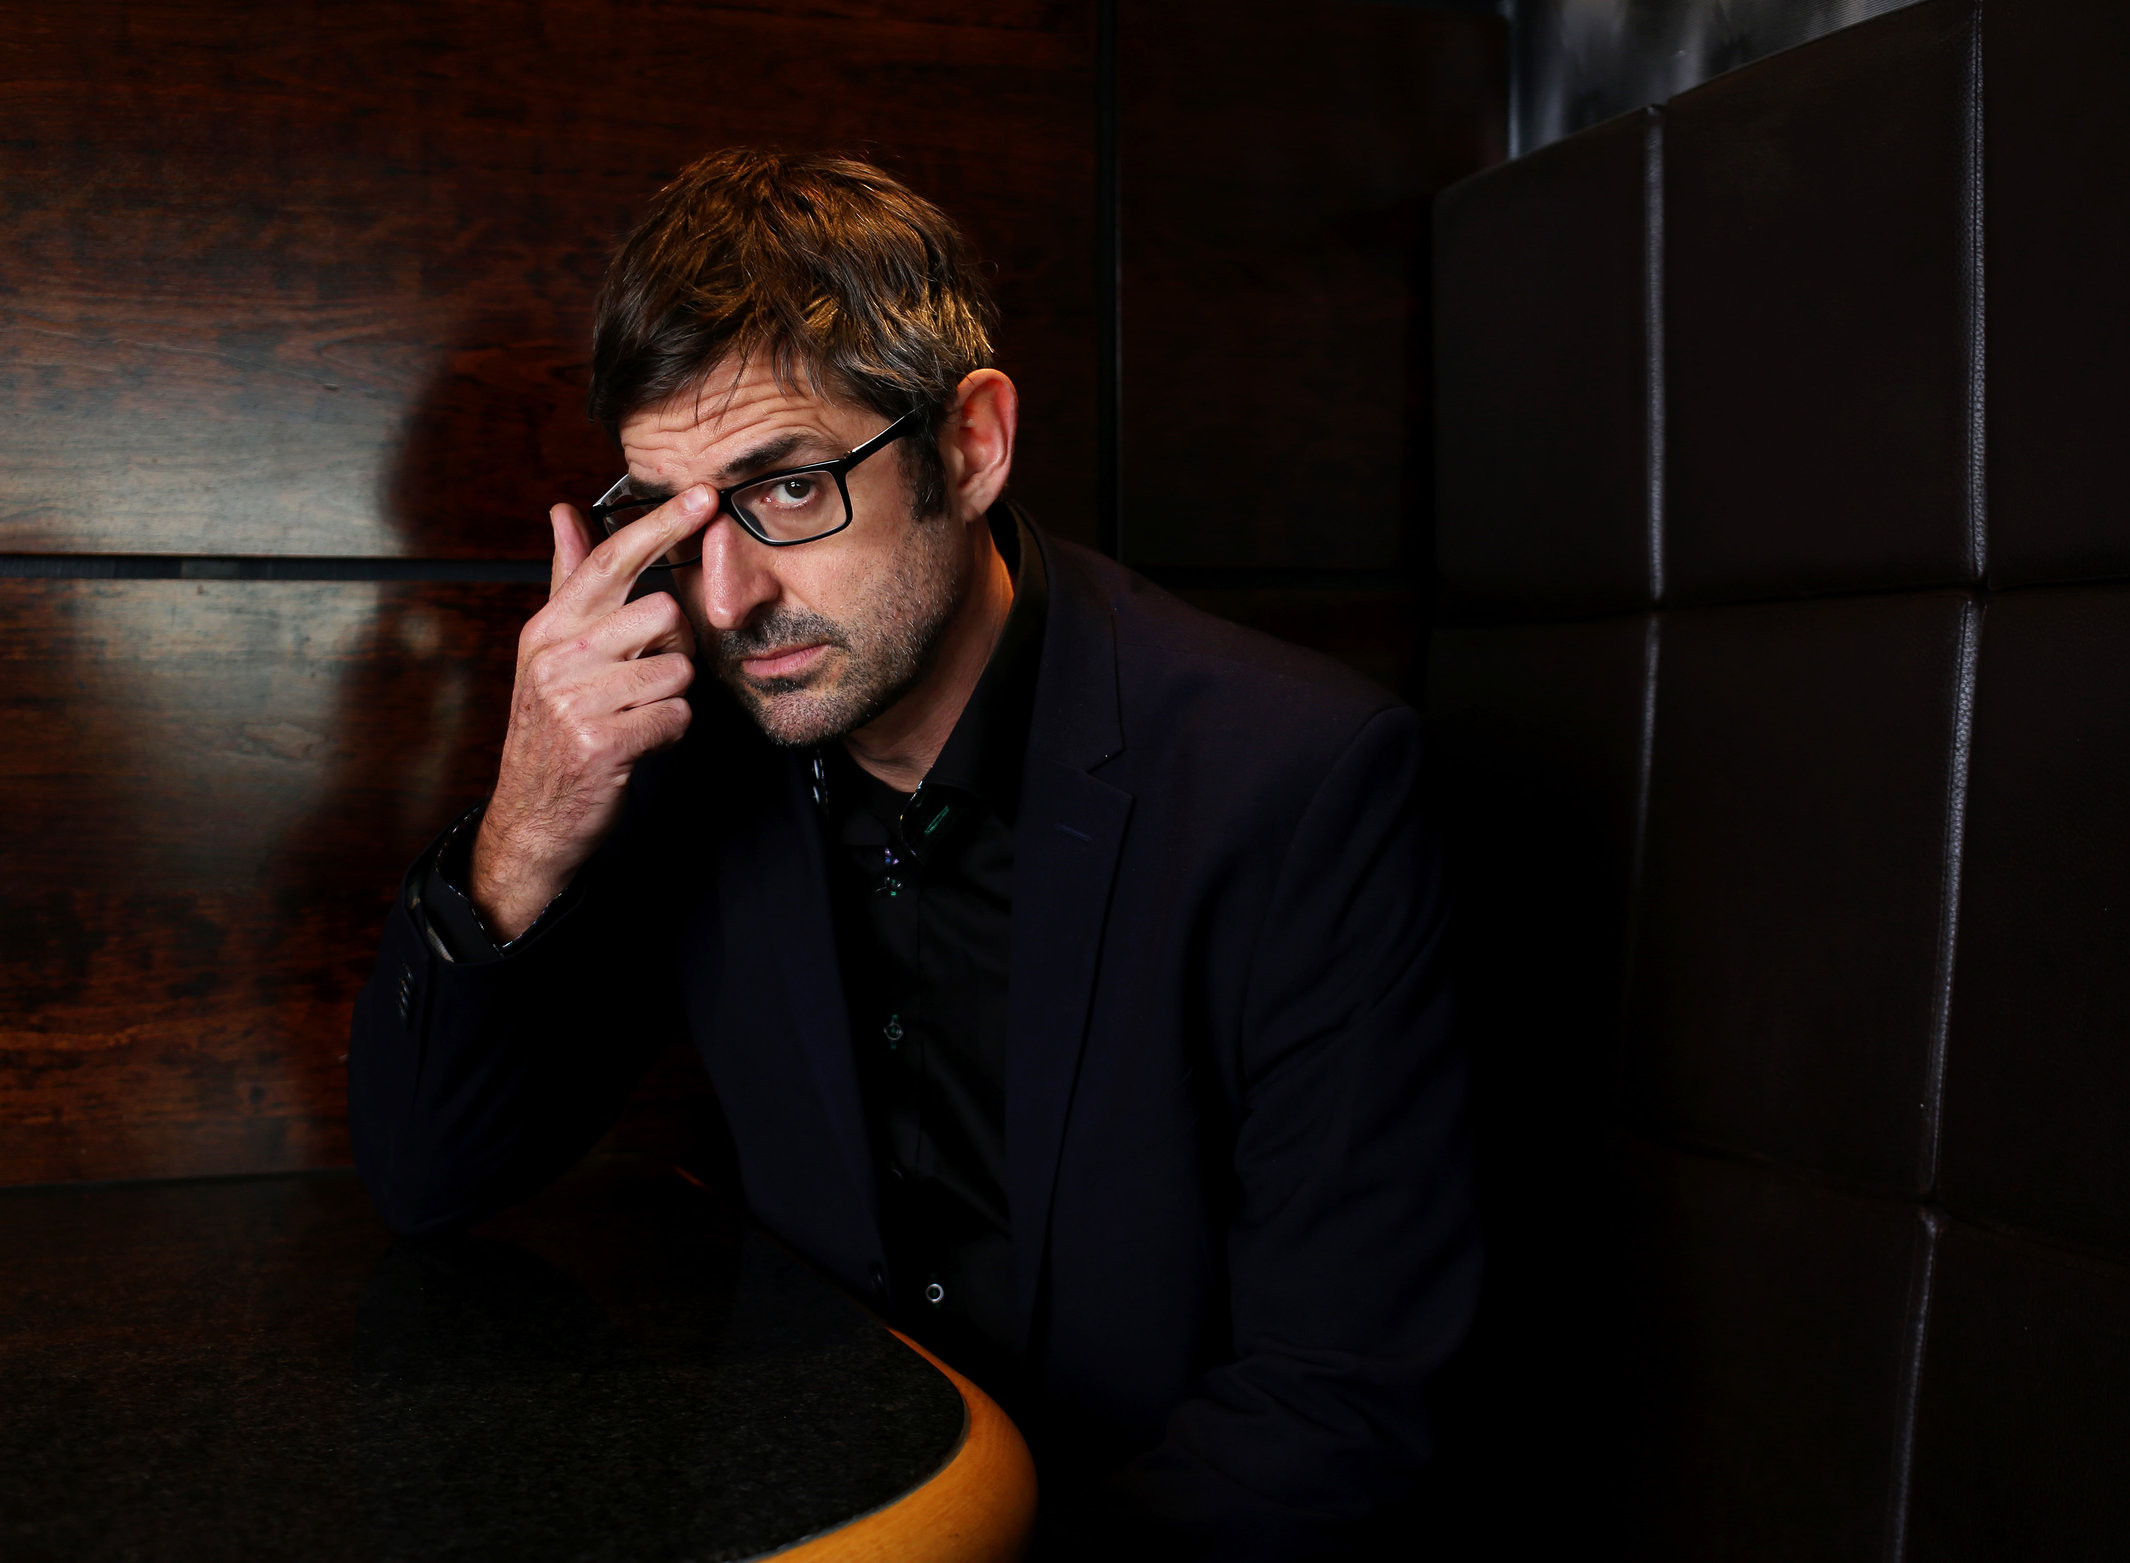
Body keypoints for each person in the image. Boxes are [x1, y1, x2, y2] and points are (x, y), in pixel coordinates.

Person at [348, 148, 1478, 1560]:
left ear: (972, 444)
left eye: (790, 488)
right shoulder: (700, 746)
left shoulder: (1298, 780)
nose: (728, 593)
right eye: (670, 511)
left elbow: (1340, 1402)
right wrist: (529, 815)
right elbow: (429, 1175)